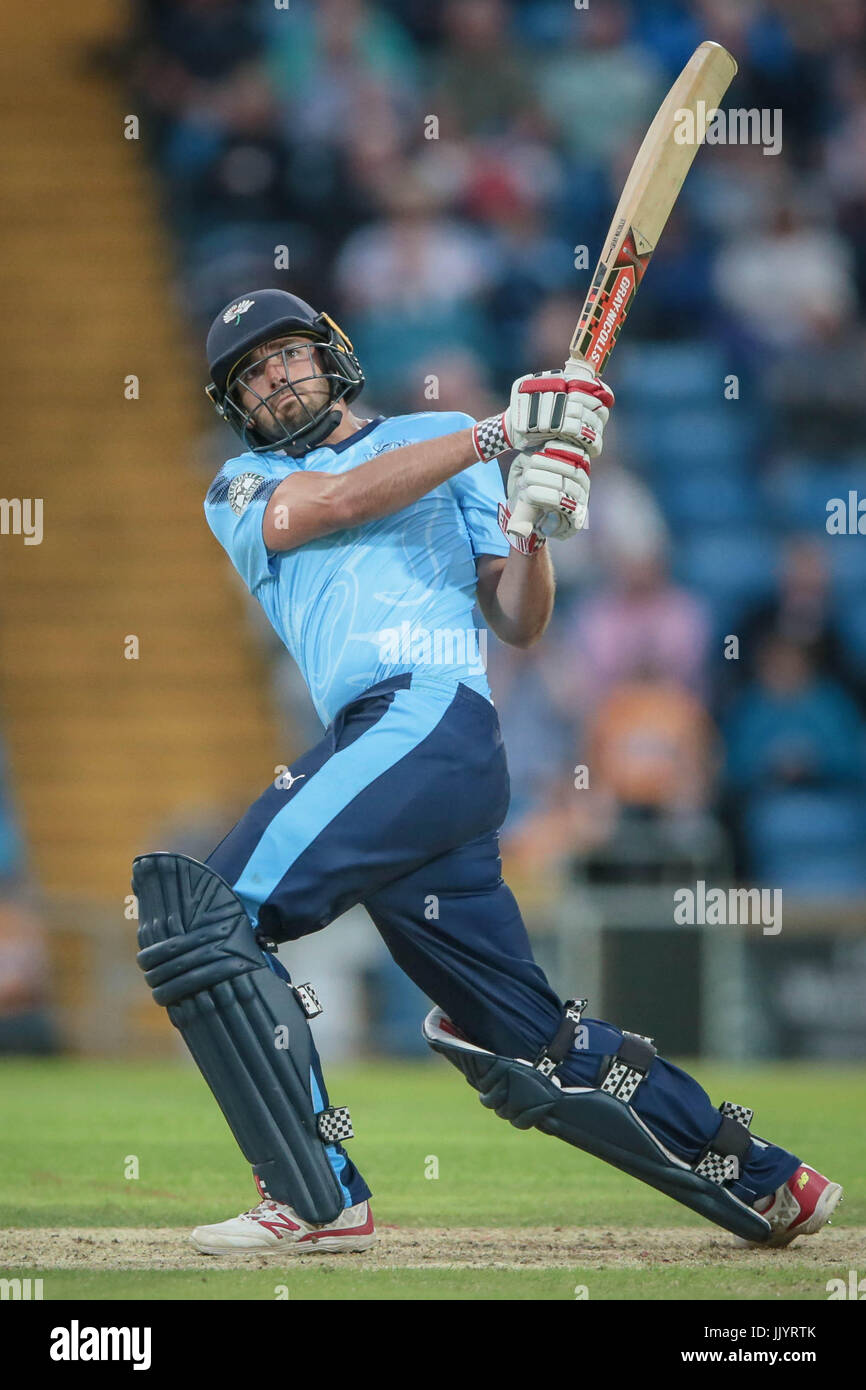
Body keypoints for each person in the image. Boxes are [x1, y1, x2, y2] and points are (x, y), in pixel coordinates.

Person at [134, 288, 840, 1256]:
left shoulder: (438, 432)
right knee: (526, 1039)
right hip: (400, 760)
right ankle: (765, 1179)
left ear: (329, 354)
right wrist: (500, 435)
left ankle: (314, 1195)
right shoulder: (241, 486)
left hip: (423, 721)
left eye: (287, 354)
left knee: (204, 916)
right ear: (236, 404)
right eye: (251, 374)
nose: (274, 378)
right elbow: (337, 502)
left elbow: (515, 617)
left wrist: (532, 529)